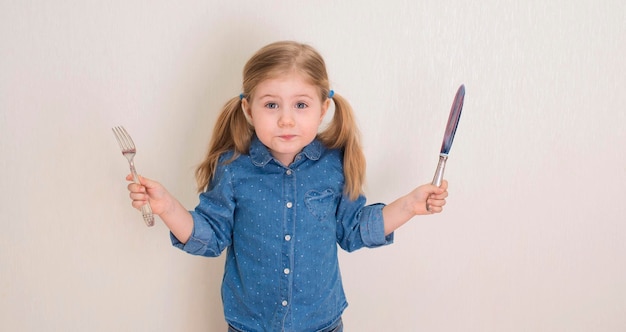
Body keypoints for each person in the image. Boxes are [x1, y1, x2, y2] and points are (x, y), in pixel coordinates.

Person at [125, 40, 448, 332]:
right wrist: (168, 207)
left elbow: (352, 231)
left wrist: (408, 206)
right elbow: (210, 239)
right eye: (271, 105)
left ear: (323, 108)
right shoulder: (233, 169)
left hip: (321, 322)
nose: (286, 120)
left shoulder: (335, 165)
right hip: (250, 324)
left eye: (301, 105)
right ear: (248, 109)